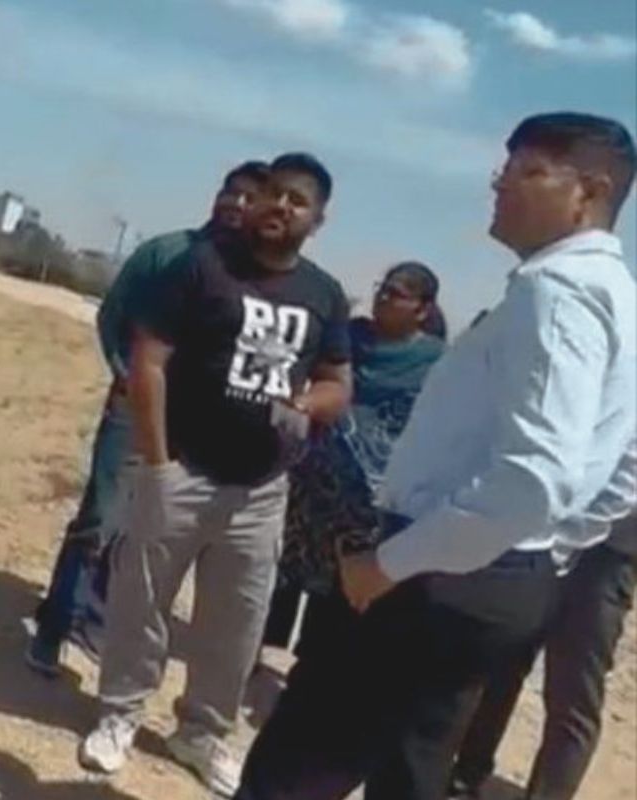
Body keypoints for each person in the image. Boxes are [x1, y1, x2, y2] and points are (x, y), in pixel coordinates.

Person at [235, 112, 637, 800]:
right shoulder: (619, 299)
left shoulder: (557, 295)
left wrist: (389, 564)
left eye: (528, 171)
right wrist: (546, 553)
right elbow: (622, 466)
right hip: (493, 572)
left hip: (435, 577)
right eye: (505, 167)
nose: (500, 184)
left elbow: (536, 478)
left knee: (299, 763)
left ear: (590, 192)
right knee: (410, 763)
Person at [78, 153, 353, 796]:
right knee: (142, 600)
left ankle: (200, 733)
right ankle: (120, 714)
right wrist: (157, 462)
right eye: (274, 193)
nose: (281, 206)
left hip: (261, 489)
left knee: (237, 623)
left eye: (298, 200)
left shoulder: (324, 295)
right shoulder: (202, 267)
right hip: (183, 468)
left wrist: (307, 403)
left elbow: (338, 383)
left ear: (317, 220)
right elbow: (149, 364)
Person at [26, 161, 271, 676]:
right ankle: (53, 628)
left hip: (194, 427)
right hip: (132, 410)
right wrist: (126, 378)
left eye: (251, 198)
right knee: (99, 519)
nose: (237, 203)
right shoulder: (165, 253)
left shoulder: (254, 280)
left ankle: (94, 621)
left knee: (148, 530)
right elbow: (112, 316)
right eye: (232, 191)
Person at [261, 262, 447, 658]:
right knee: (285, 558)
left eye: (396, 293)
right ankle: (261, 645)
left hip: (369, 491)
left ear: (422, 309)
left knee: (339, 573)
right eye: (383, 288)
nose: (384, 297)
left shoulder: (436, 361)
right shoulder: (349, 337)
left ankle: (310, 658)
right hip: (312, 470)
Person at [449, 507, 636, 800]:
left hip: (607, 559)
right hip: (549, 535)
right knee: (502, 663)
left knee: (572, 696)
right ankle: (464, 775)